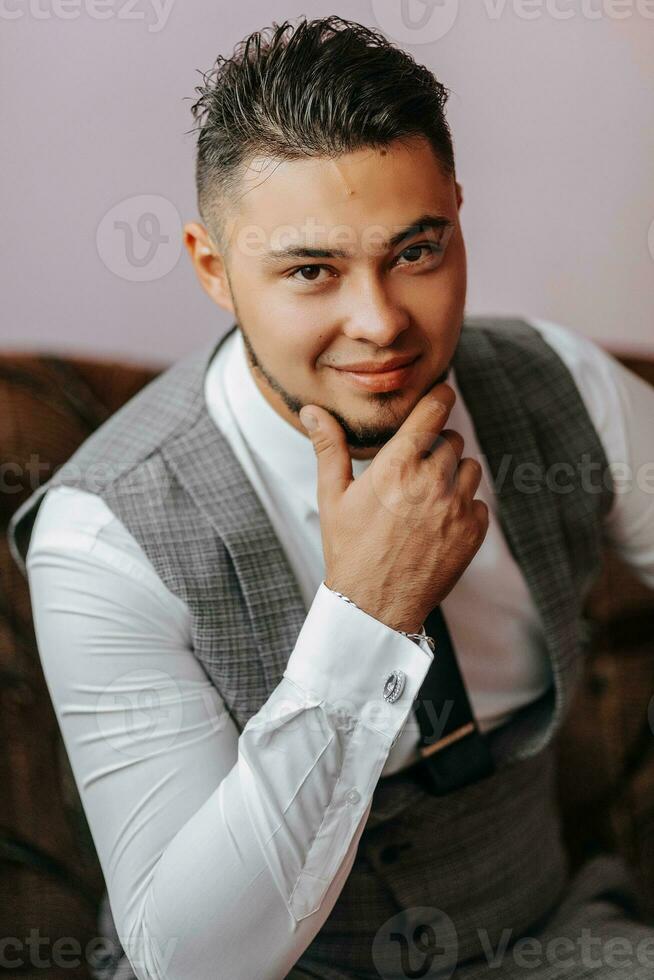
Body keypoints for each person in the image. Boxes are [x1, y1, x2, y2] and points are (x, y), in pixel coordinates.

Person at [8, 15, 654, 980]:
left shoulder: (561, 384)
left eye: (417, 252)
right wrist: (368, 614)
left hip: (554, 943)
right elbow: (191, 966)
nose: (381, 322)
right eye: (312, 270)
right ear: (214, 270)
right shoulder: (103, 534)